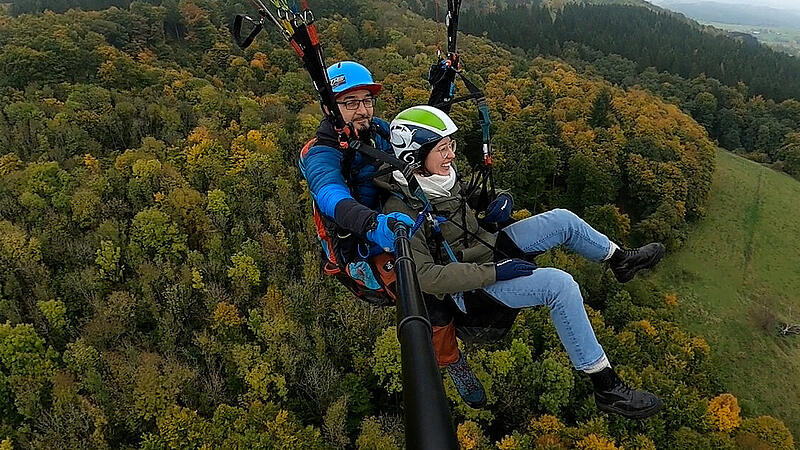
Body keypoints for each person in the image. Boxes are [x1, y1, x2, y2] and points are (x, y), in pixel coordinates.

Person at [376, 105, 666, 419]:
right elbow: (424, 276)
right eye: (443, 148)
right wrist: (493, 272)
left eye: (451, 146)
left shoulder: (439, 177)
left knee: (562, 220)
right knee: (560, 285)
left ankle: (621, 260)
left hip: (486, 248)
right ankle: (606, 386)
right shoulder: (402, 209)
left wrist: (500, 199)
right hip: (472, 289)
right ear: (413, 158)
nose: (451, 155)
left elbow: (468, 203)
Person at [298, 61, 415, 291]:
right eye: (351, 102)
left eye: (367, 100)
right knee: (424, 294)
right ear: (328, 109)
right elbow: (330, 194)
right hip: (357, 244)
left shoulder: (378, 130)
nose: (363, 110)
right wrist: (372, 225)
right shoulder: (321, 153)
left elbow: (414, 149)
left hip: (389, 218)